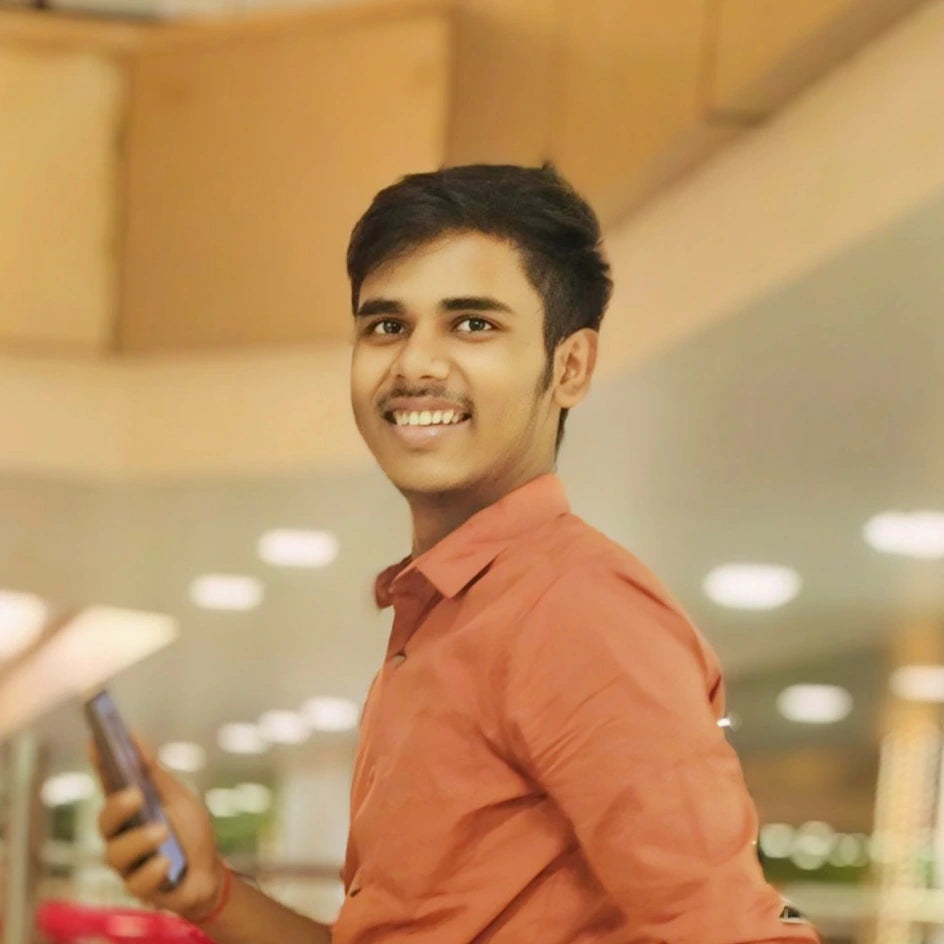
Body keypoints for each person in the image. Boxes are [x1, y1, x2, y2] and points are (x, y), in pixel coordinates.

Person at [94, 164, 820, 943]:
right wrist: (210, 890)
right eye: (386, 326)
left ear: (569, 367)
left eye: (472, 324)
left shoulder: (576, 611)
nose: (415, 365)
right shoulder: (443, 617)